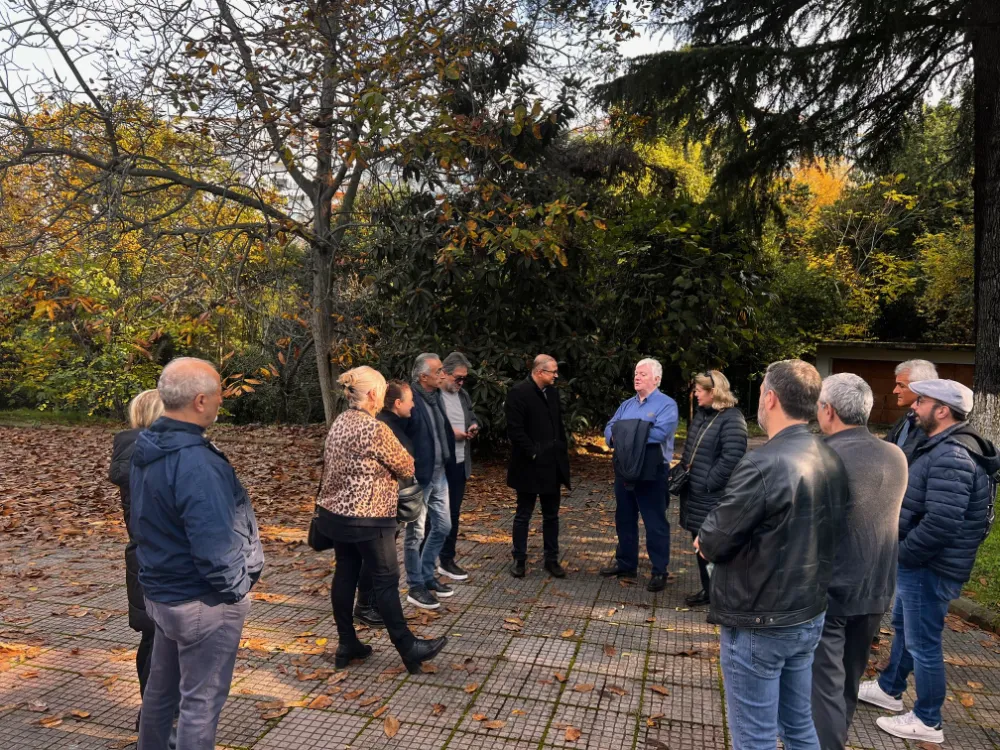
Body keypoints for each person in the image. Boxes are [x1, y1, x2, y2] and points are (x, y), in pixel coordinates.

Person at [696, 359, 848, 750]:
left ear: (770, 398)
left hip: (760, 620)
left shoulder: (763, 462)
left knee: (755, 738)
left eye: (762, 391)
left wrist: (706, 536)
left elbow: (713, 540)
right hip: (807, 613)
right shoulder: (831, 456)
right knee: (798, 727)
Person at [132, 358, 265, 750]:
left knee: (161, 691)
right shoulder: (196, 463)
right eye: (220, 396)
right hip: (200, 601)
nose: (222, 403)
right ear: (201, 401)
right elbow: (214, 546)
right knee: (200, 703)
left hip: (163, 592)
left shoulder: (149, 445)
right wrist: (237, 588)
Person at [858, 379, 1000, 745]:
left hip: (929, 567)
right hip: (923, 564)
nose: (913, 407)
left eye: (921, 401)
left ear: (942, 410)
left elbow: (941, 523)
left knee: (923, 642)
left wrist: (902, 553)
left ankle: (927, 719)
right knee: (906, 629)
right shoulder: (943, 446)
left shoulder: (952, 455)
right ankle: (890, 689)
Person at [313, 366, 447, 673]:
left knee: (345, 574)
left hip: (338, 517)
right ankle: (408, 647)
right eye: (383, 389)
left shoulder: (340, 423)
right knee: (386, 581)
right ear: (373, 394)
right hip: (370, 518)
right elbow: (406, 465)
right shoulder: (375, 429)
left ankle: (348, 643)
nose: (385, 394)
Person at [811, 373, 908, 750]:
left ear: (828, 410)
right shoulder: (896, 455)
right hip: (877, 588)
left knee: (824, 687)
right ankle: (835, 734)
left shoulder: (821, 455)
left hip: (829, 589)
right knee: (848, 681)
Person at [108, 390, 165, 729]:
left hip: (143, 558)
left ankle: (153, 712)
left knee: (153, 639)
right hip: (167, 563)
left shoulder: (134, 452)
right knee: (164, 643)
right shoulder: (161, 455)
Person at [601, 358, 680, 592]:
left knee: (655, 522)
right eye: (636, 373)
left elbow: (659, 433)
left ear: (656, 379)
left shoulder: (667, 405)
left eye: (643, 374)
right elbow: (609, 429)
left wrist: (625, 434)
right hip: (625, 468)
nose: (637, 377)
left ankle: (659, 571)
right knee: (624, 518)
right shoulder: (626, 405)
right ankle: (626, 564)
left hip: (652, 471)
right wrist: (626, 433)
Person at [346, 379, 417, 630]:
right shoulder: (383, 427)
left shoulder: (393, 424)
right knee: (376, 560)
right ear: (396, 403)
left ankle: (370, 605)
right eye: (410, 400)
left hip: (384, 503)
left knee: (377, 559)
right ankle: (365, 606)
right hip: (381, 505)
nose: (413, 405)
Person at [676, 370, 747, 606]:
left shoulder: (731, 418)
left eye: (698, 390)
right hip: (695, 495)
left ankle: (721, 598)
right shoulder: (702, 414)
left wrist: (708, 482)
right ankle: (709, 592)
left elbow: (733, 457)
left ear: (713, 391)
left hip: (711, 497)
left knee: (713, 548)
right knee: (700, 545)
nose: (694, 394)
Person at [506, 354, 571, 578]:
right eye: (552, 371)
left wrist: (562, 448)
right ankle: (519, 559)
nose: (556, 375)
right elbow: (515, 430)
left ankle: (551, 559)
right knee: (524, 513)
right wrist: (533, 452)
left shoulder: (552, 392)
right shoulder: (519, 392)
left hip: (552, 465)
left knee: (551, 515)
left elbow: (557, 425)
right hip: (528, 465)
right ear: (539, 372)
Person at [404, 352, 453, 608]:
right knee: (415, 533)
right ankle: (416, 585)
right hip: (419, 477)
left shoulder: (436, 397)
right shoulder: (409, 400)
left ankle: (426, 574)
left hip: (439, 473)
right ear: (423, 376)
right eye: (438, 372)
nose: (443, 375)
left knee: (443, 526)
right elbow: (400, 436)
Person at [436, 351, 480, 581]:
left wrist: (473, 426)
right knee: (433, 514)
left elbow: (472, 416)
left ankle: (446, 559)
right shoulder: (432, 397)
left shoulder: (463, 395)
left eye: (464, 378)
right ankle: (425, 562)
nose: (461, 382)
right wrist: (450, 433)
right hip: (438, 464)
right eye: (458, 378)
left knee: (453, 513)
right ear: (443, 373)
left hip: (460, 461)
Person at [885, 359, 938, 463]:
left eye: (901, 386)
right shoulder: (908, 416)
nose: (895, 391)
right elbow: (887, 446)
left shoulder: (932, 423)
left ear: (922, 387)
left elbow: (908, 459)